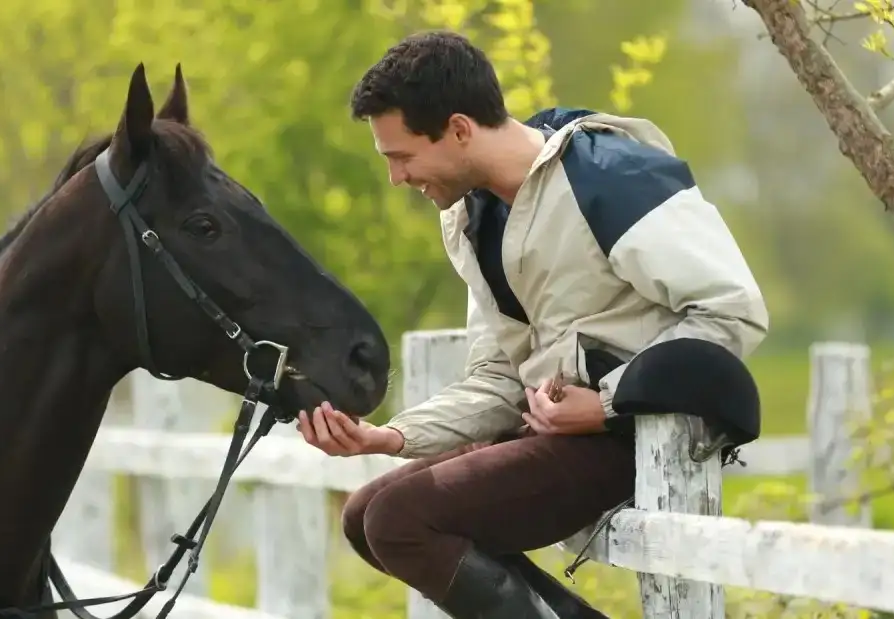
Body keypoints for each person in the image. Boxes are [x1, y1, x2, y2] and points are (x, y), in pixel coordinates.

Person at [295, 30, 769, 619]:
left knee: (399, 520)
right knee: (365, 517)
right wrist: (390, 436)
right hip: (558, 434)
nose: (396, 177)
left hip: (643, 439)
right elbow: (497, 376)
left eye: (402, 156)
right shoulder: (474, 216)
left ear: (460, 129)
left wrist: (608, 404)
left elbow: (731, 309)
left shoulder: (612, 177)